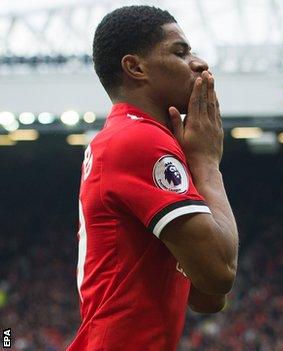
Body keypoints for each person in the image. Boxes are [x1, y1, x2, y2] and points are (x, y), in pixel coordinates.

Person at [67, 6, 239, 350]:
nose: (200, 62)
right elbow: (220, 272)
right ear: (135, 67)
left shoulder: (131, 137)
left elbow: (206, 299)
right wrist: (206, 164)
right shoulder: (139, 141)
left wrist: (194, 163)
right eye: (180, 51)